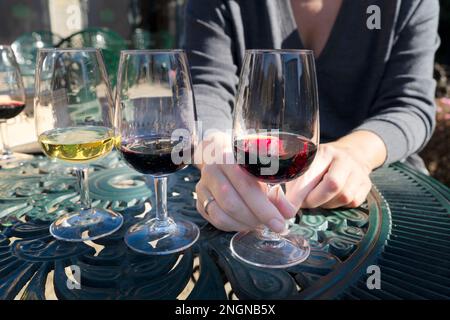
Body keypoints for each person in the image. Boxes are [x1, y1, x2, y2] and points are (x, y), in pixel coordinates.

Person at [182, 0, 440, 233]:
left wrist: (356, 154)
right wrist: (215, 151)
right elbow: (206, 88)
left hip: (384, 189)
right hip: (249, 187)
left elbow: (409, 104)